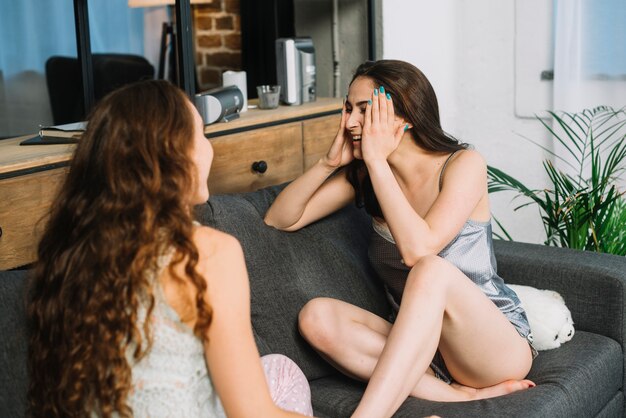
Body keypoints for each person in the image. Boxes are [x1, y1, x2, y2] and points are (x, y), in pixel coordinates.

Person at [264, 60, 536, 417]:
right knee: (316, 317)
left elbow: (418, 251)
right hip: (418, 350)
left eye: (365, 109)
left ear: (405, 116)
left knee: (430, 270)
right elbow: (280, 219)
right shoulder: (363, 177)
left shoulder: (463, 164)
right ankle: (455, 397)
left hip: (490, 346)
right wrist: (328, 164)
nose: (350, 122)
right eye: (348, 109)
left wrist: (376, 163)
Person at [27, 80, 313, 418]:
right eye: (201, 135)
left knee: (278, 368)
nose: (209, 148)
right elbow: (253, 415)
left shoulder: (69, 254)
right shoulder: (208, 253)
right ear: (173, 154)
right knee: (284, 377)